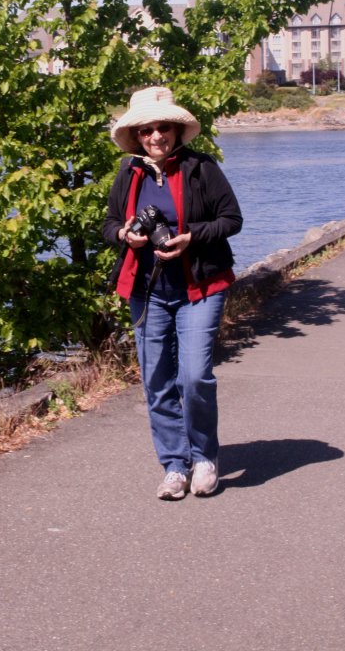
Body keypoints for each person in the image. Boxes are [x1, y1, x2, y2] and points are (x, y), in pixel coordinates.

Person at [103, 86, 242, 500]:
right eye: (147, 130)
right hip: (147, 293)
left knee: (195, 375)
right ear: (137, 136)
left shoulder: (202, 169)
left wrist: (190, 237)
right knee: (156, 379)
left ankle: (203, 457)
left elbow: (231, 219)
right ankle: (174, 466)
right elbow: (109, 225)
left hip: (199, 286)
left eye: (163, 127)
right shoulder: (129, 174)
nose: (156, 136)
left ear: (177, 130)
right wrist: (126, 236)